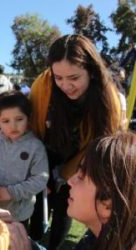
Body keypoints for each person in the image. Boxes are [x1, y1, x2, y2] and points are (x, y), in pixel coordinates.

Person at [28, 34, 123, 249]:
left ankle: (53, 245)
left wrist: (67, 174)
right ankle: (32, 239)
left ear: (91, 70)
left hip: (83, 157)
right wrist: (40, 170)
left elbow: (99, 145)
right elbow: (33, 130)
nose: (65, 85)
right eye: (58, 78)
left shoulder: (109, 99)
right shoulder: (42, 85)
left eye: (74, 77)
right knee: (38, 202)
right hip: (45, 151)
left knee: (65, 206)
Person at [0, 131, 136, 250]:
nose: (70, 181)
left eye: (81, 176)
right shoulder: (99, 236)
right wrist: (24, 240)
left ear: (107, 205)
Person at [0, 91, 48, 226]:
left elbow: (40, 179)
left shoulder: (36, 146)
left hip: (19, 213)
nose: (13, 126)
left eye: (19, 119)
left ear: (28, 118)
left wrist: (12, 192)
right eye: (6, 121)